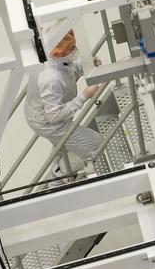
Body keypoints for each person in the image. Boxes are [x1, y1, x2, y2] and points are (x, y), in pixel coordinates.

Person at [24, 28, 103, 176]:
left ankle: (57, 167)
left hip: (38, 111)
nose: (75, 50)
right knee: (96, 144)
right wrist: (83, 97)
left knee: (63, 147)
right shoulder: (50, 78)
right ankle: (59, 174)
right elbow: (53, 116)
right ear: (59, 53)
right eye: (71, 49)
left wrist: (85, 65)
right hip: (49, 123)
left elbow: (67, 69)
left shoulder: (50, 51)